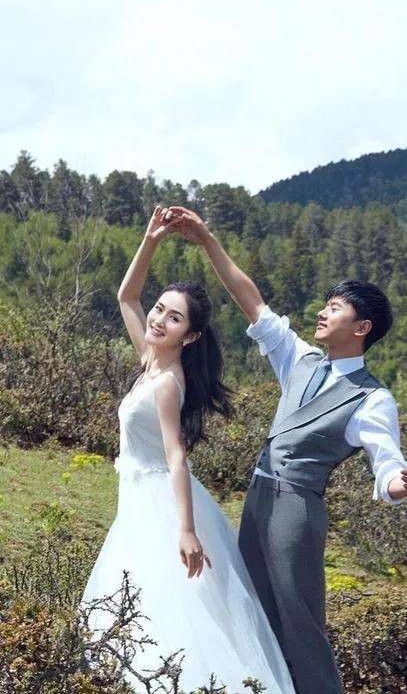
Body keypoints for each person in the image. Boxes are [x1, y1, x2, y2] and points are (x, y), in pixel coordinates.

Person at [166, 205, 407, 694]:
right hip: (258, 499)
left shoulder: (372, 398)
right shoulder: (300, 358)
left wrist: (400, 483)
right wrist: (206, 240)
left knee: (300, 621)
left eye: (335, 308)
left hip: (297, 510)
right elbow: (251, 301)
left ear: (362, 327)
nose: (322, 313)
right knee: (255, 610)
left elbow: (387, 464)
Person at [79, 206, 297, 694]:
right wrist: (150, 240)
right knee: (146, 605)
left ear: (191, 335)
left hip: (160, 503)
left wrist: (186, 530)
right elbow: (126, 296)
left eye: (173, 318)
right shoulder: (149, 360)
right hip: (140, 499)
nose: (158, 319)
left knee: (171, 610)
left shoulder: (165, 383)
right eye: (160, 309)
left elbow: (177, 456)